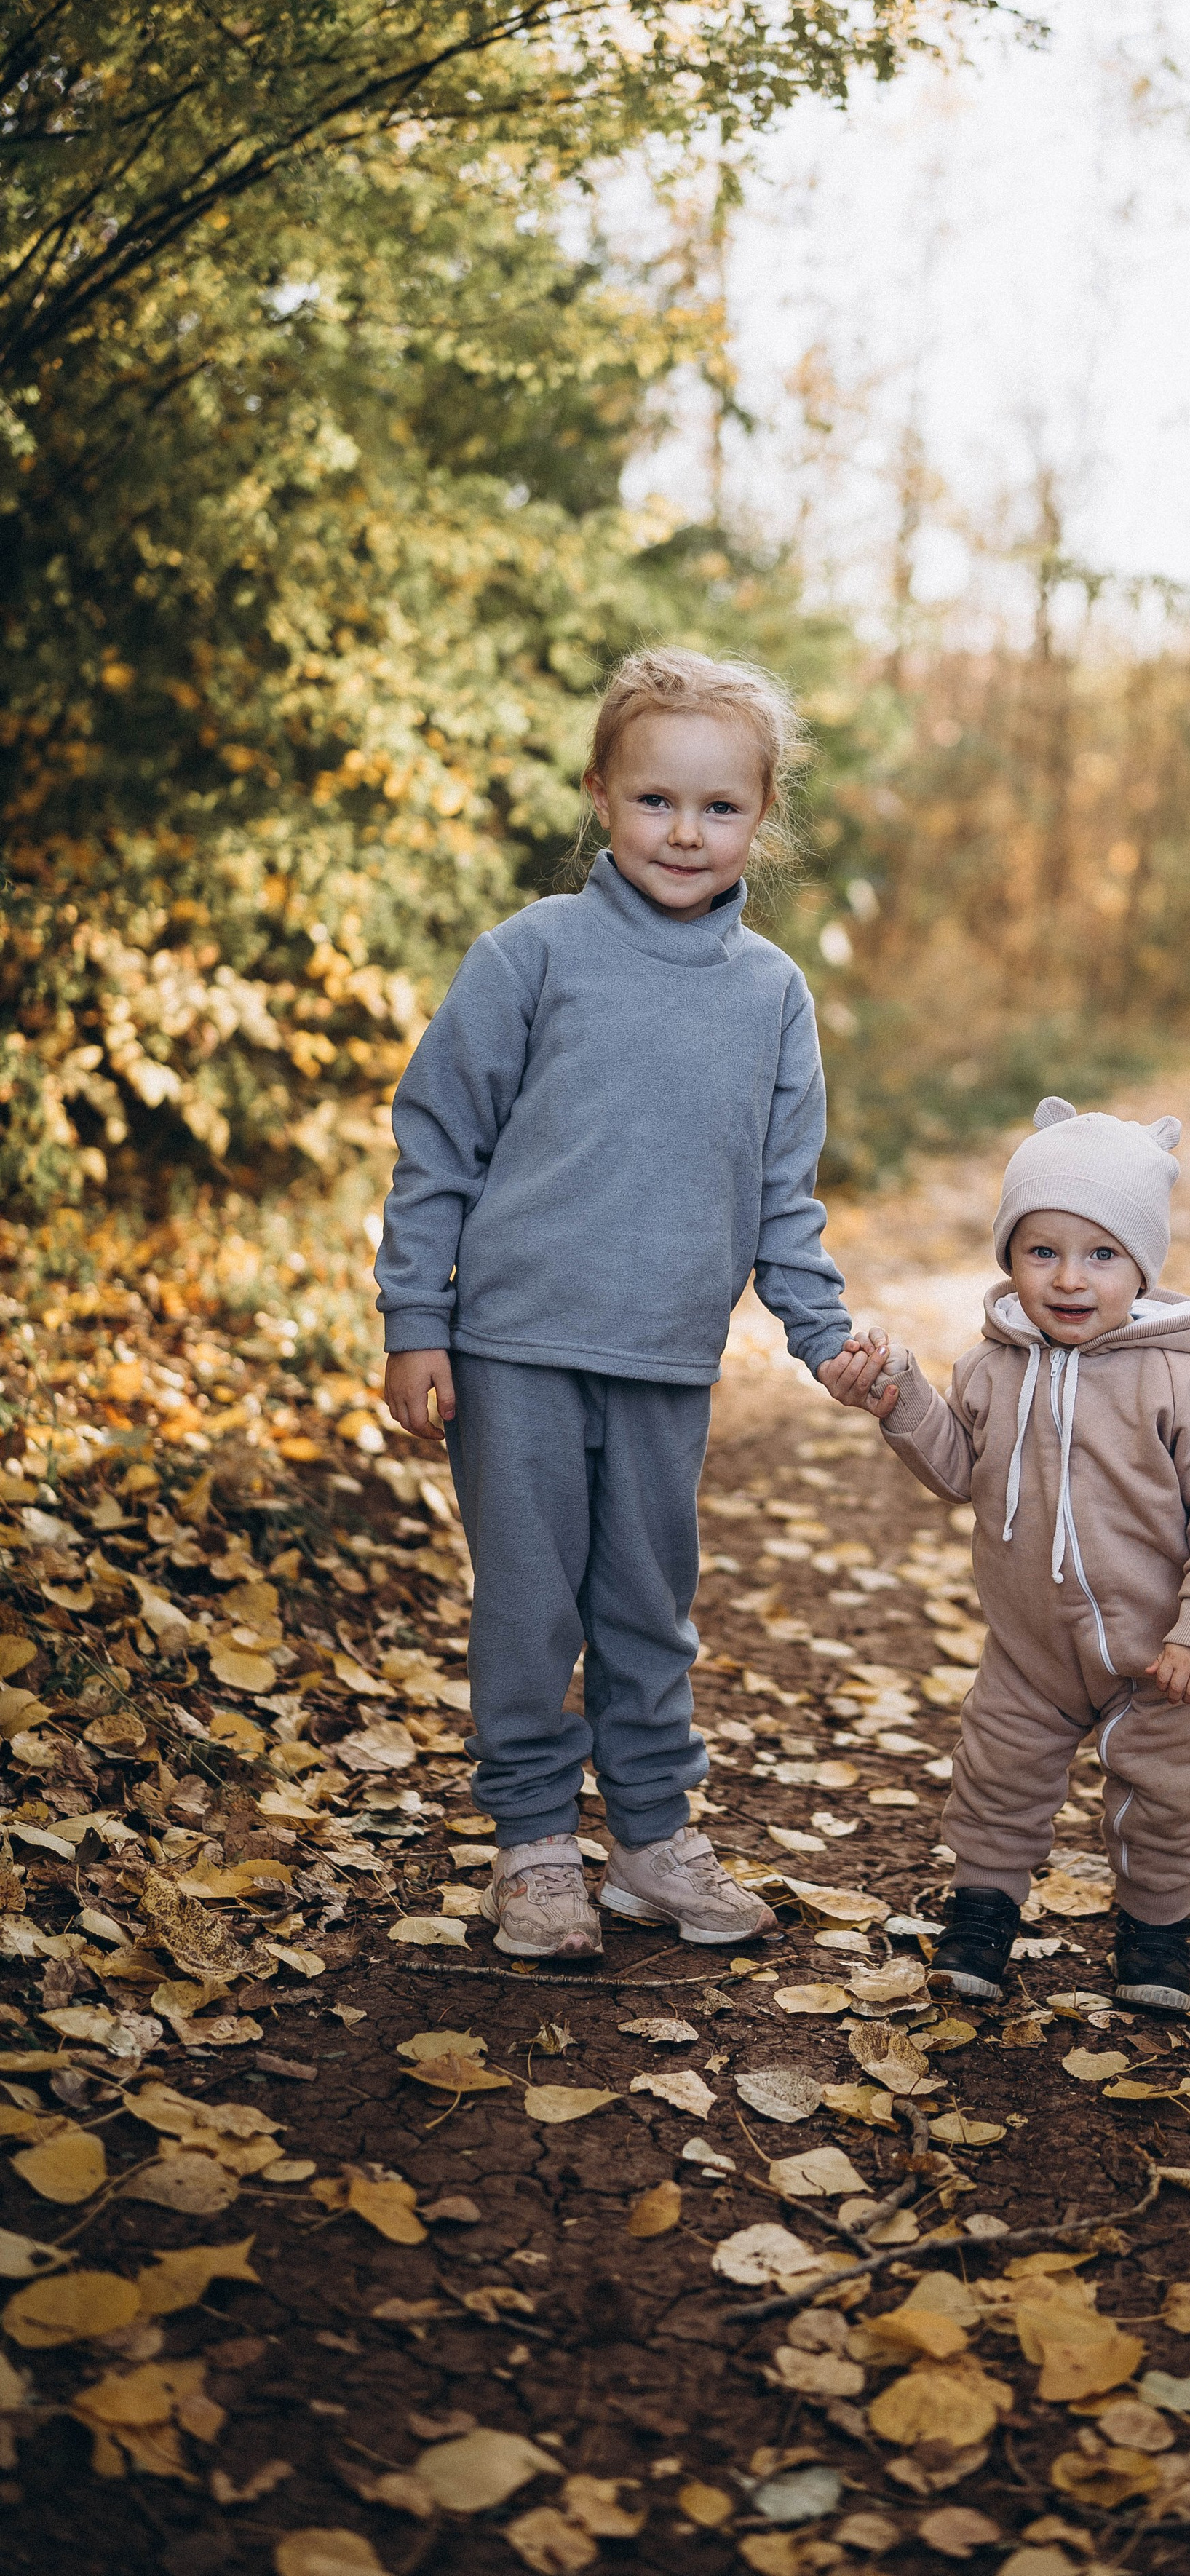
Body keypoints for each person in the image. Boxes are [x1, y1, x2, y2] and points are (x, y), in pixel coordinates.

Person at [375, 645, 862, 1959]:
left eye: (720, 807)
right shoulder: (533, 955)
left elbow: (782, 1193)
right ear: (601, 793)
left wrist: (825, 1336)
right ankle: (536, 1850)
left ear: (763, 819)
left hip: (663, 1360)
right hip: (514, 1350)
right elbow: (441, 1143)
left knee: (649, 1607)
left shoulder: (771, 994)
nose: (686, 832)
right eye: (656, 800)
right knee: (529, 1603)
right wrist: (415, 1319)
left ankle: (651, 1840)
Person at [820, 1098, 1190, 2012]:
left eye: (1101, 1255)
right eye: (1042, 1252)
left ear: (1140, 1266)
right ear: (1011, 1259)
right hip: (1027, 1650)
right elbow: (959, 1474)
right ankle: (982, 1917)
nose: (1070, 1279)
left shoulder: (1179, 1378)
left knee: (1164, 1796)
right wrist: (902, 1401)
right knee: (995, 1782)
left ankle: (1154, 1935)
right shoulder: (990, 1369)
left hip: (1156, 1658)